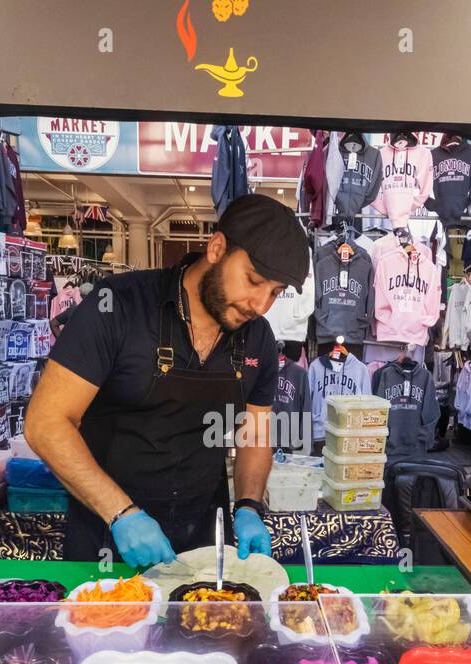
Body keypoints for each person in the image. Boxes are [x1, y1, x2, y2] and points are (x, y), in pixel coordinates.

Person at [24, 193, 309, 566]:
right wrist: (122, 514)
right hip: (108, 537)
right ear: (217, 248)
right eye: (253, 281)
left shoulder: (258, 339)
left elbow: (254, 434)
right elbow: (45, 424)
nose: (260, 305)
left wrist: (250, 505)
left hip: (205, 542)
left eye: (275, 292)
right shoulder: (118, 307)